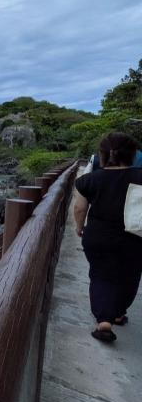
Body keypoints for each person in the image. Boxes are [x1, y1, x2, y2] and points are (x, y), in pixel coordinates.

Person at [74, 132, 142, 342]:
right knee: (129, 275)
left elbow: (79, 208)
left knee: (101, 275)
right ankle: (119, 313)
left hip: (98, 236)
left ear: (101, 156)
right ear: (132, 156)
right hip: (134, 236)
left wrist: (79, 227)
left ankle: (104, 320)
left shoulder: (90, 179)